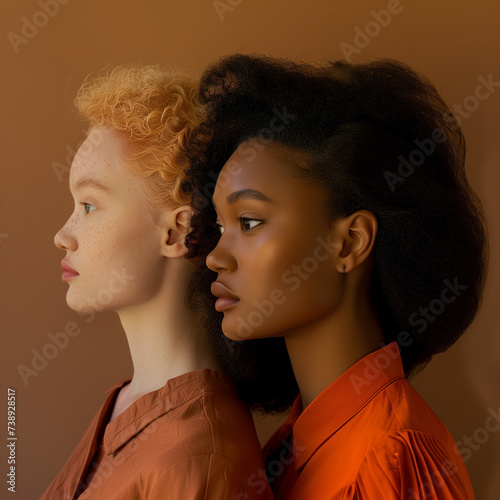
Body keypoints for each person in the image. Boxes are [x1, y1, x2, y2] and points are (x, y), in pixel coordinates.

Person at [184, 54, 489, 499]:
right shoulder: (290, 446)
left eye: (249, 222)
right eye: (219, 225)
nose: (215, 257)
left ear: (349, 242)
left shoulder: (392, 459)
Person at [42, 64, 294, 500]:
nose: (61, 236)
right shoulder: (123, 402)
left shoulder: (202, 459)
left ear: (177, 232)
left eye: (89, 205)